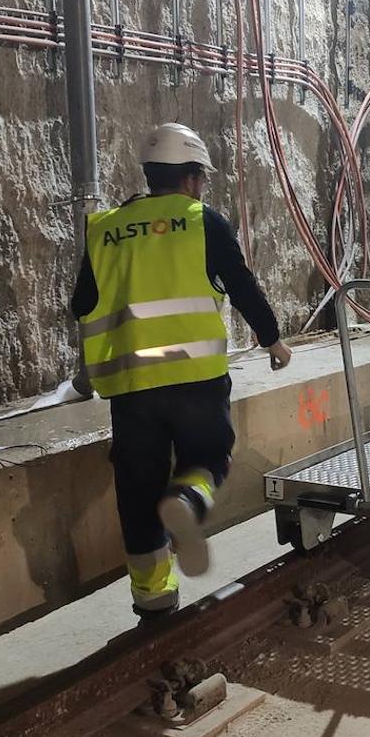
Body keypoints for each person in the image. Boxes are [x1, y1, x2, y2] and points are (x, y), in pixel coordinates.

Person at [70, 122, 292, 621]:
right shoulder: (201, 220)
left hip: (132, 385)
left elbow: (81, 303)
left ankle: (154, 598)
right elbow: (241, 284)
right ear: (192, 178)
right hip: (195, 377)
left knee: (137, 489)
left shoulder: (105, 228)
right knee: (209, 458)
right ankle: (187, 504)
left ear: (150, 175)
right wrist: (272, 339)